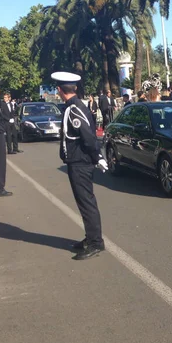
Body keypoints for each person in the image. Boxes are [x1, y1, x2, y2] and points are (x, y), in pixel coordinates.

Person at [54, 72, 108, 260]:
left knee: (86, 202)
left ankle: (95, 243)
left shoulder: (74, 109)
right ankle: (90, 237)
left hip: (80, 163)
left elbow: (88, 136)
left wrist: (97, 156)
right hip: (77, 161)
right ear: (74, 88)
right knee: (84, 201)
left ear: (60, 90)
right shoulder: (74, 107)